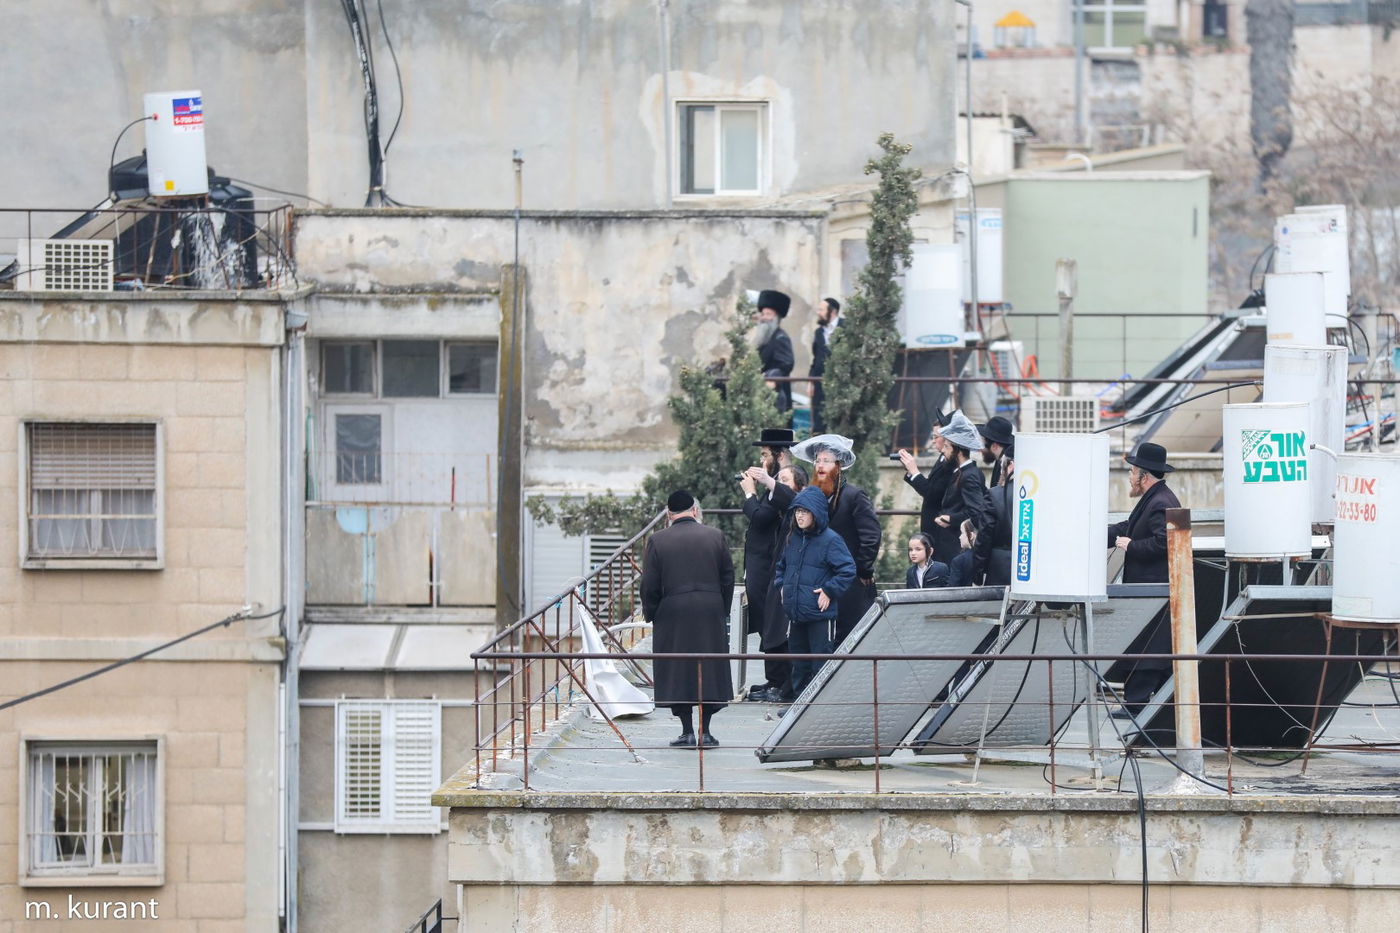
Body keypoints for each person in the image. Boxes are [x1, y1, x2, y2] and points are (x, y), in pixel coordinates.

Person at [640, 490, 736, 748]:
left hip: (673, 611)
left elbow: (649, 584)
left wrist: (652, 612)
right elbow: (728, 578)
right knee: (709, 667)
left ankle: (687, 731)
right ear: (695, 511)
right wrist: (721, 609)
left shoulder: (657, 541)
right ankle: (706, 732)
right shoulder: (715, 536)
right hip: (709, 609)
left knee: (678, 669)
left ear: (669, 514)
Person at [1105, 442, 1183, 712]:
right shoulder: (1157, 498)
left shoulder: (1161, 502)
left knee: (1149, 648)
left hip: (1154, 589)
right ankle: (1147, 704)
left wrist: (1131, 546)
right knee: (1151, 648)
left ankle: (1136, 704)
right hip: (1151, 589)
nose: (1129, 476)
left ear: (1144, 476)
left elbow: (1166, 543)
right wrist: (1101, 534)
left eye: (1132, 472)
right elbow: (1131, 526)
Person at [790, 433, 881, 646]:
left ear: (838, 466)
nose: (820, 466)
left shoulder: (854, 495)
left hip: (848, 581)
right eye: (818, 461)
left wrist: (863, 570)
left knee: (851, 637)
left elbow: (871, 535)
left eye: (827, 461)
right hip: (817, 580)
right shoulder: (812, 497)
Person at [772, 486, 856, 698]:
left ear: (816, 513)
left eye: (804, 511)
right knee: (799, 663)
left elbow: (848, 570)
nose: (799, 516)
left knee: (821, 661)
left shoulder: (831, 540)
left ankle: (818, 706)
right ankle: (799, 706)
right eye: (797, 511)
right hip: (796, 612)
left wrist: (829, 590)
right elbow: (781, 566)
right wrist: (782, 585)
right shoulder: (793, 538)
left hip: (820, 613)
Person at [738, 428, 797, 702]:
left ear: (779, 455)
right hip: (761, 565)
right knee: (766, 624)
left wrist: (750, 495)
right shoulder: (773, 483)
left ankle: (782, 682)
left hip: (770, 566)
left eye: (765, 455)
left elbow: (761, 518)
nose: (762, 461)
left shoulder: (784, 485)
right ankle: (774, 679)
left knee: (775, 625)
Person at [900, 411, 991, 566]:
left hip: (953, 545)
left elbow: (976, 512)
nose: (943, 450)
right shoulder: (960, 472)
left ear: (957, 449)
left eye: (947, 446)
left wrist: (951, 519)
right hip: (946, 543)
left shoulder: (969, 475)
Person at [973, 445, 1015, 585]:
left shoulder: (995, 495)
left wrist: (978, 572)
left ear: (1010, 466)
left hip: (1001, 569)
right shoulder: (1041, 496)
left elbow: (984, 536)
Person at [754, 289, 795, 413]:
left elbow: (786, 364)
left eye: (768, 314)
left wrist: (771, 377)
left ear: (776, 317)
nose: (764, 318)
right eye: (763, 314)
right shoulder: (765, 338)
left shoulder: (780, 338)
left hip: (777, 394)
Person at [809, 296, 841, 432]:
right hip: (820, 383)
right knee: (819, 421)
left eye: (821, 309)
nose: (818, 312)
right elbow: (816, 359)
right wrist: (810, 381)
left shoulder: (846, 327)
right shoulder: (818, 332)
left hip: (840, 383)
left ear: (832, 311)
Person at [977, 416, 1015, 489]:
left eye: (982, 445)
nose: (980, 449)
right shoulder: (1001, 461)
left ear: (994, 446)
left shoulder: (1009, 467)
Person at [947, 519, 979, 586]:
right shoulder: (993, 555)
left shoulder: (959, 561)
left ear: (971, 535)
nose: (959, 537)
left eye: (962, 533)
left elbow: (953, 589)